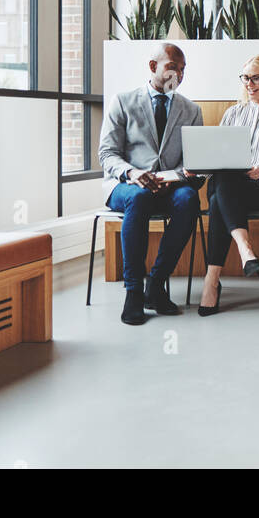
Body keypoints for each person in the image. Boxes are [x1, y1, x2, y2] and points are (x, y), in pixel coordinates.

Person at [98, 42, 204, 325]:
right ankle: (133, 291)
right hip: (127, 185)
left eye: (183, 70)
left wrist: (182, 175)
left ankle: (155, 285)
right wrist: (133, 174)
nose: (178, 74)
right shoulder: (122, 101)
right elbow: (107, 154)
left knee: (189, 200)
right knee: (140, 198)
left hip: (169, 187)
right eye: (172, 66)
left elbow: (194, 161)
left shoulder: (191, 110)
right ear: (152, 66)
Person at [197, 55, 259, 317]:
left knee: (220, 197)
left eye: (256, 78)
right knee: (225, 176)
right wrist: (195, 166)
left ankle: (211, 282)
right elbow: (216, 157)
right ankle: (244, 248)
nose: (249, 84)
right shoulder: (232, 113)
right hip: (228, 184)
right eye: (245, 78)